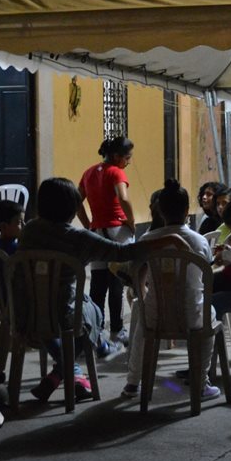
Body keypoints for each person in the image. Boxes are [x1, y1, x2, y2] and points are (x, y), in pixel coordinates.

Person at [19, 177, 185, 402]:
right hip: (63, 315)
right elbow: (123, 252)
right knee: (92, 311)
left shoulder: (29, 230)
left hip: (26, 311)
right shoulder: (78, 238)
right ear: (71, 208)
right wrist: (168, 238)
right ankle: (79, 365)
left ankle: (63, 372)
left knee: (62, 306)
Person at [121, 180, 218, 401]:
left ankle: (132, 382)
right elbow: (205, 273)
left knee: (141, 321)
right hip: (192, 315)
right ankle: (201, 383)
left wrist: (146, 299)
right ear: (187, 211)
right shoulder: (199, 241)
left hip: (157, 317)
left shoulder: (148, 240)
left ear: (160, 212)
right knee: (210, 317)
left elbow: (138, 277)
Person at [78, 136, 135, 349]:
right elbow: (124, 198)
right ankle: (117, 331)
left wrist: (87, 224)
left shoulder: (89, 172)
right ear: (117, 156)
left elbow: (77, 200)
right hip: (117, 230)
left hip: (97, 232)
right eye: (127, 158)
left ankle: (95, 331)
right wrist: (131, 221)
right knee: (117, 283)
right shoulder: (116, 172)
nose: (128, 162)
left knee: (98, 284)